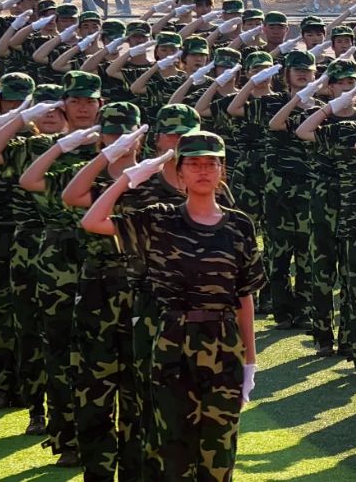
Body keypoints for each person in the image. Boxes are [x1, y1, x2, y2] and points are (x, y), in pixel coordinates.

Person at [81, 130, 263, 482]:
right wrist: (126, 180)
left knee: (219, 451)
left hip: (222, 342)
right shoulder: (159, 218)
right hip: (171, 342)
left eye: (211, 163)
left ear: (222, 171)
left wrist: (250, 362)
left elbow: (244, 295)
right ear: (179, 173)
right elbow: (92, 221)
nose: (203, 171)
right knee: (172, 449)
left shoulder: (239, 224)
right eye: (193, 164)